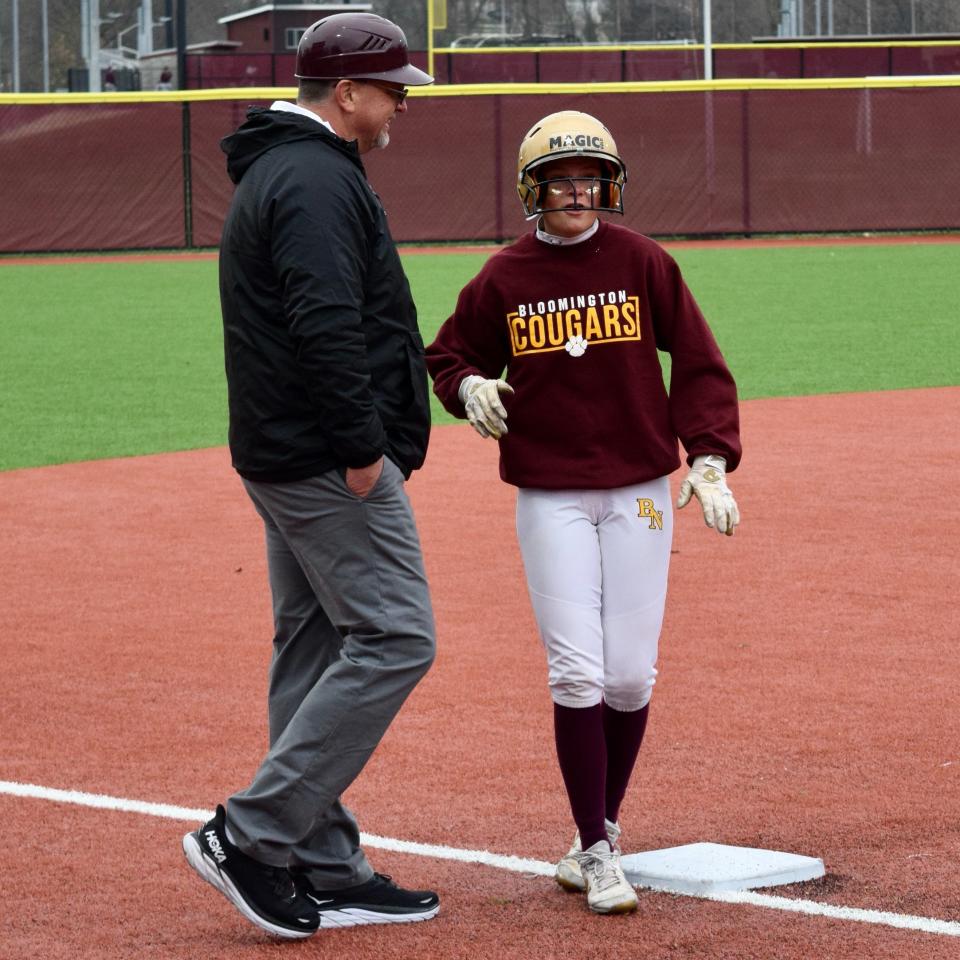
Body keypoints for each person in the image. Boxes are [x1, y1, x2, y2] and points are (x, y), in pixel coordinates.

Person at [426, 111, 741, 916]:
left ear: (610, 185)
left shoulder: (643, 261)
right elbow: (448, 352)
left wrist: (708, 456)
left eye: (591, 178)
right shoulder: (503, 275)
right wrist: (468, 387)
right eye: (562, 180)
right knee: (577, 671)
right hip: (552, 493)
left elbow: (700, 361)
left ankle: (595, 828)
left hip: (637, 490)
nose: (578, 192)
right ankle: (598, 853)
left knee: (631, 676)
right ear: (533, 189)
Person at [181, 13, 440, 940]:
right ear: (345, 94)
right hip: (325, 458)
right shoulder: (316, 177)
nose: (401, 101)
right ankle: (252, 835)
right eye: (391, 87)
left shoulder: (290, 170)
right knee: (397, 638)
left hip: (286, 451)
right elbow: (325, 321)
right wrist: (363, 447)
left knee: (315, 646)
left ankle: (320, 862)